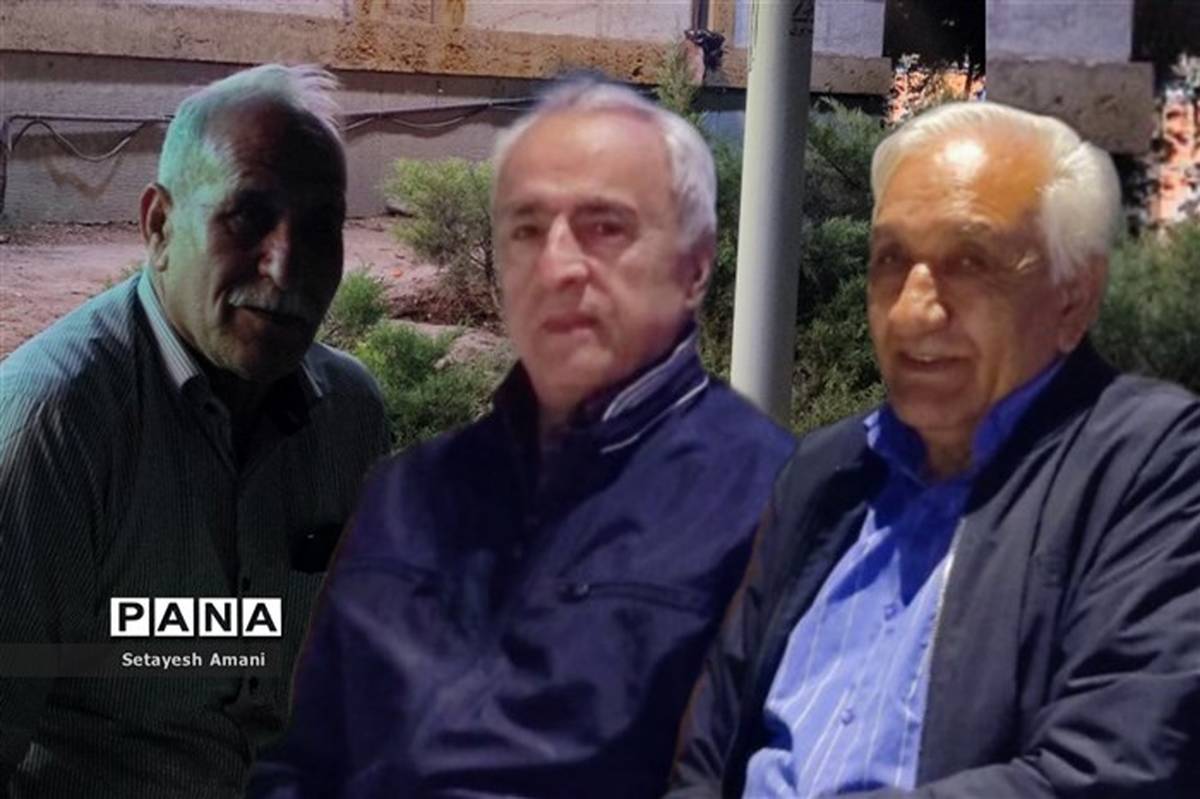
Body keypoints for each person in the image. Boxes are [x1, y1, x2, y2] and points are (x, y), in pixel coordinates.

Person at [248, 78, 796, 798]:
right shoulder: (405, 494)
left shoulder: (776, 507)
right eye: (528, 230)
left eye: (606, 227)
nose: (557, 265)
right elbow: (303, 763)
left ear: (694, 266)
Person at [668, 101, 1200, 798]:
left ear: (1074, 297)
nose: (912, 310)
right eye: (891, 259)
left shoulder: (1152, 467)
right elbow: (708, 758)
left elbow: (1115, 770)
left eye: (970, 262)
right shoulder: (826, 475)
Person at [0, 64, 389, 798]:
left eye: (321, 227)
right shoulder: (56, 425)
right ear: (158, 227)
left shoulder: (348, 416)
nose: (287, 266)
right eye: (247, 215)